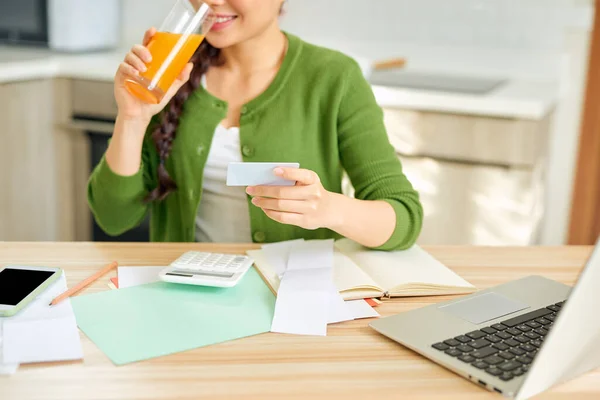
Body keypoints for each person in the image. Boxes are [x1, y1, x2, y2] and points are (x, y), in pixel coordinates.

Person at [88, 0, 423, 250]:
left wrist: (329, 208)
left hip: (290, 303)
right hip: (184, 301)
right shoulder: (170, 73)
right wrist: (133, 118)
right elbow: (113, 218)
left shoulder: (334, 78)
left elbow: (403, 217)